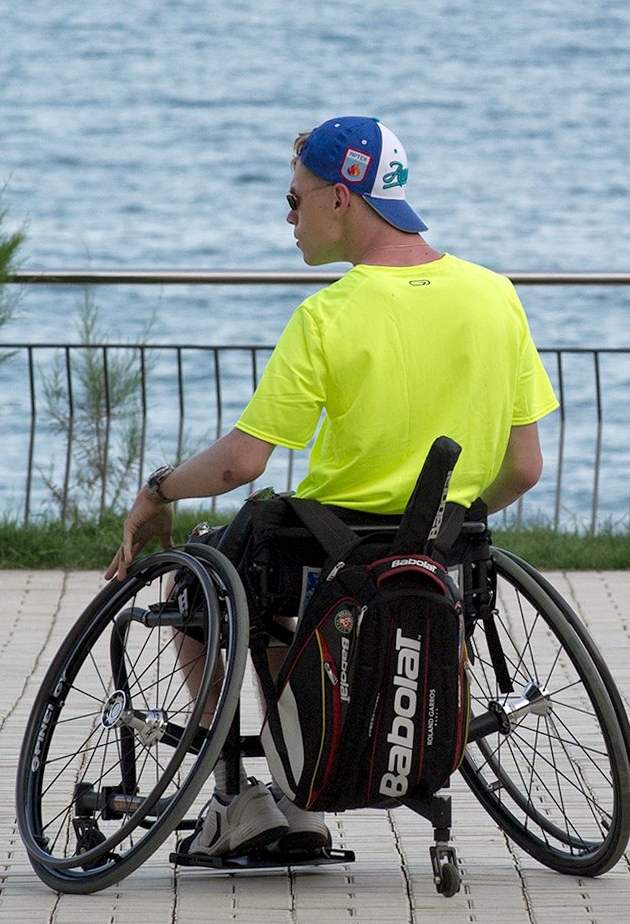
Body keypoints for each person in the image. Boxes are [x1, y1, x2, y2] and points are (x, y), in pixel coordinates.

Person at [105, 115, 559, 856]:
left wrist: (158, 490)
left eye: (294, 200)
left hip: (323, 560)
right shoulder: (494, 296)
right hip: (434, 560)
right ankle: (301, 781)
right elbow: (525, 468)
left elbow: (240, 466)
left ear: (341, 198)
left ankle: (246, 798)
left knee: (201, 592)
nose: (287, 216)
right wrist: (444, 529)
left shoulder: (328, 316)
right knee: (291, 586)